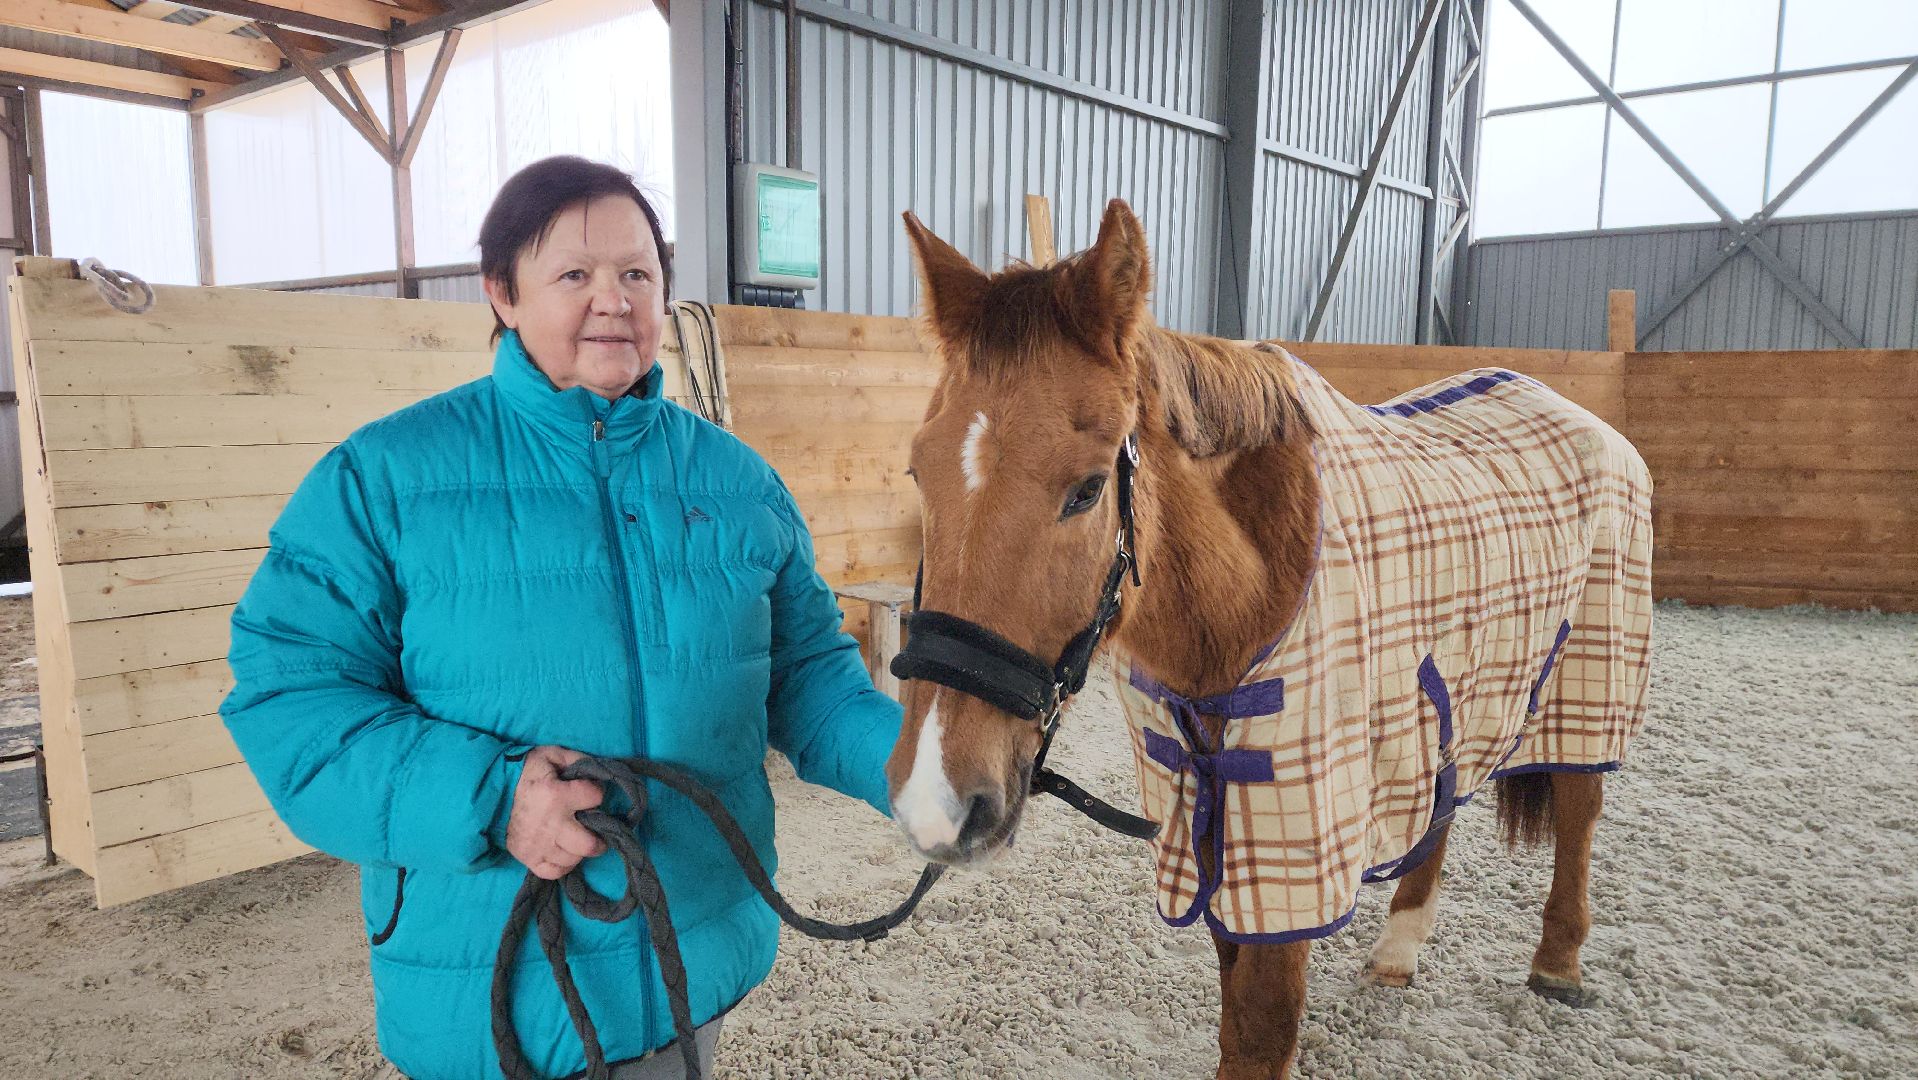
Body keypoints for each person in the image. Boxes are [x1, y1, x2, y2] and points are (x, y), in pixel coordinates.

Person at [221, 155, 901, 1079]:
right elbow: (289, 700)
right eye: (573, 275)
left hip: (686, 956)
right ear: (502, 294)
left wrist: (918, 769)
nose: (613, 301)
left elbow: (810, 676)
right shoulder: (382, 479)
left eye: (637, 274)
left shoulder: (736, 483)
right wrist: (493, 798)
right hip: (493, 981)